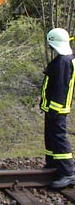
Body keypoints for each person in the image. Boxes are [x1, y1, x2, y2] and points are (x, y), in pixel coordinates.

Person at [40, 28, 75, 188]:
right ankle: (53, 164)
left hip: (57, 109)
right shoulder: (65, 59)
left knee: (59, 138)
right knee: (51, 136)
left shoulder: (63, 62)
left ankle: (67, 172)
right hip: (54, 108)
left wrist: (53, 108)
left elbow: (60, 87)